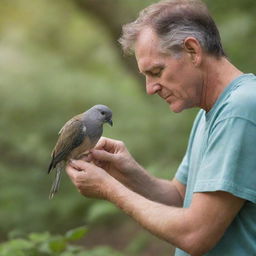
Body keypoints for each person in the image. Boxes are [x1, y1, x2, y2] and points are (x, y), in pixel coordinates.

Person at [66, 0, 256, 255]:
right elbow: (181, 198)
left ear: (192, 51)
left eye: (156, 71)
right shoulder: (210, 113)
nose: (150, 88)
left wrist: (108, 188)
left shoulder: (240, 110)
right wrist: (127, 173)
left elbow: (196, 234)